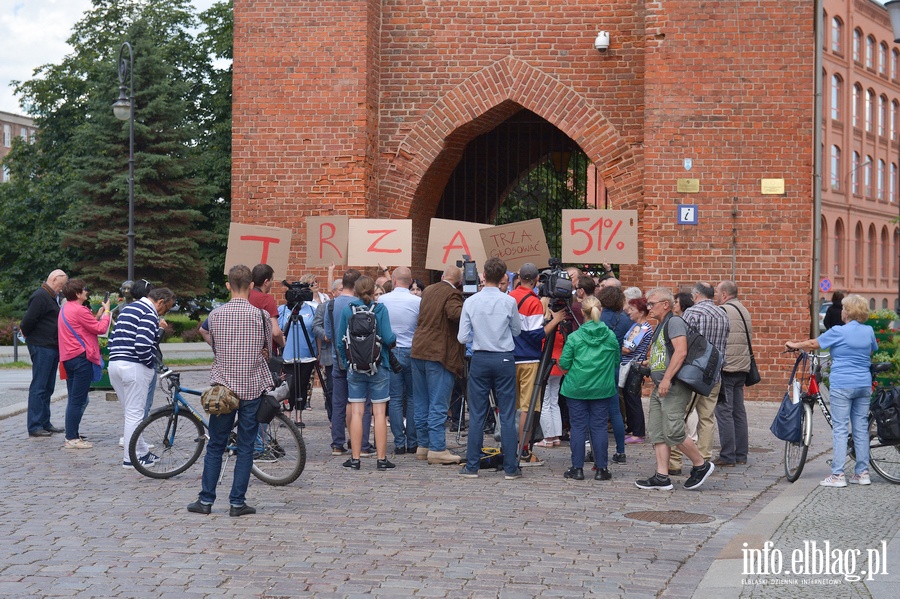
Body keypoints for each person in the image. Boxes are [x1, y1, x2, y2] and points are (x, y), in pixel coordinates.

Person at [187, 265, 273, 517]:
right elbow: (267, 348)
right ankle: (237, 502)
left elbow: (213, 342)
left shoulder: (215, 315)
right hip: (252, 386)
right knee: (246, 447)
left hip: (224, 389)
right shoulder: (261, 316)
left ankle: (206, 500)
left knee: (215, 445)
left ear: (228, 285)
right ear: (250, 285)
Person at [786, 294, 878, 487]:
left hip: (842, 384)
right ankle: (862, 473)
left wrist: (794, 345)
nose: (842, 311)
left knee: (841, 429)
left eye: (844, 308)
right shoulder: (868, 330)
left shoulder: (838, 331)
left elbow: (813, 344)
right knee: (860, 428)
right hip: (863, 384)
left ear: (849, 312)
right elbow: (871, 350)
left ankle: (837, 475)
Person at [635, 287, 715, 491]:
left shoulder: (675, 321)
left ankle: (701, 465)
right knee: (658, 432)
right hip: (661, 386)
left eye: (652, 304)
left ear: (665, 304)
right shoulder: (662, 325)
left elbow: (681, 352)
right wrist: (650, 364)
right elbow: (667, 354)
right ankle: (662, 476)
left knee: (674, 431)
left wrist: (666, 379)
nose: (648, 307)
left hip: (673, 386)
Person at [457, 257, 522, 480]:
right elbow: (517, 330)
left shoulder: (471, 301)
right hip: (504, 358)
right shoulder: (509, 301)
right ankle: (511, 467)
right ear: (503, 276)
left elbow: (462, 336)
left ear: (483, 275)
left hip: (481, 357)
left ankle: (472, 466)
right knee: (506, 414)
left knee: (476, 414)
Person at [336, 276, 397, 471]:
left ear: (355, 290)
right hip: (379, 366)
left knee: (356, 412)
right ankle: (381, 459)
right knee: (379, 414)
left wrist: (348, 363)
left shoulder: (348, 310)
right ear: (373, 291)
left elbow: (339, 342)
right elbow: (388, 337)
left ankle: (355, 459)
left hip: (355, 368)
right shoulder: (380, 309)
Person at [109, 287, 175, 468]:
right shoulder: (149, 312)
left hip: (115, 363)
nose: (164, 313)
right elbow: (143, 345)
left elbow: (111, 339)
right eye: (166, 308)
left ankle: (142, 452)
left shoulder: (128, 308)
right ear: (160, 302)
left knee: (131, 414)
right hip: (134, 366)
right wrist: (149, 365)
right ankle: (131, 459)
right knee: (135, 414)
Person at [668, 282, 729, 474]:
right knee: (707, 418)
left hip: (694, 374)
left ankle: (675, 462)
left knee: (681, 416)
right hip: (715, 373)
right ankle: (704, 459)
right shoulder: (722, 314)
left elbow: (684, 344)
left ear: (695, 295)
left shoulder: (692, 313)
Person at [558, 296, 620, 481]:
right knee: (599, 427)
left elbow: (564, 362)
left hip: (576, 387)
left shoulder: (575, 337)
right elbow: (616, 360)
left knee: (577, 427)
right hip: (602, 387)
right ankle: (602, 468)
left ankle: (577, 468)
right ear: (599, 311)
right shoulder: (610, 336)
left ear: (582, 313)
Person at [410, 265, 465, 465]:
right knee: (438, 403)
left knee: (421, 401)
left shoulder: (429, 290)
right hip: (438, 353)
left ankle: (423, 446)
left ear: (443, 276)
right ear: (459, 281)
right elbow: (455, 314)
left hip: (418, 349)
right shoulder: (452, 294)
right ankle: (437, 448)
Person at [323, 269, 374, 457]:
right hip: (359, 358)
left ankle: (337, 443)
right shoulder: (361, 304)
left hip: (338, 358)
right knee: (362, 403)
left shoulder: (330, 305)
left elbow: (328, 335)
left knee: (338, 403)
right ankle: (362, 443)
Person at [58, 279, 111, 449]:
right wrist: (108, 312)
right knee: (77, 400)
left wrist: (97, 316)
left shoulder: (65, 308)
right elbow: (100, 329)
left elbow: (83, 326)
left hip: (69, 358)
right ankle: (72, 438)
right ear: (78, 293)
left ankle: (71, 434)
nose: (86, 292)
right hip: (81, 359)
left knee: (74, 399)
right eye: (84, 290)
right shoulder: (80, 310)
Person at [509, 263, 548, 467]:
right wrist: (553, 321)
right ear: (535, 280)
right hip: (528, 358)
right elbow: (535, 334)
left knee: (509, 405)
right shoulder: (533, 302)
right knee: (527, 407)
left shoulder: (508, 297)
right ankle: (523, 451)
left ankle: (509, 447)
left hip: (509, 357)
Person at [378, 266, 420, 454]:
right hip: (412, 350)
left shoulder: (383, 300)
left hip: (391, 351)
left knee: (394, 398)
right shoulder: (417, 301)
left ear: (393, 281)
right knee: (412, 397)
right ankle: (412, 441)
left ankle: (399, 442)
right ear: (410, 281)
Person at [20, 269, 68, 437]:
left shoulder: (52, 296)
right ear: (53, 279)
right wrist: (30, 337)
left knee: (48, 387)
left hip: (50, 345)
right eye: (61, 285)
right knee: (39, 386)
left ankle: (45, 422)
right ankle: (34, 425)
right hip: (41, 345)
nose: (61, 289)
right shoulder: (41, 296)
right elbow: (27, 322)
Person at [714, 280, 752, 467]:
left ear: (724, 294)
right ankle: (741, 454)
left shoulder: (723, 311)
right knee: (739, 412)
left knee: (724, 412)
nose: (715, 296)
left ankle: (728, 456)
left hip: (728, 367)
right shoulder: (744, 310)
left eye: (716, 293)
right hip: (743, 367)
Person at [598, 285, 631, 464]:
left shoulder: (598, 318)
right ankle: (620, 450)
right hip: (614, 365)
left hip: (597, 365)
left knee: (595, 411)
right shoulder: (625, 320)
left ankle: (596, 449)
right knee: (615, 411)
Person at [621, 297, 653, 444]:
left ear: (641, 312)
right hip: (631, 365)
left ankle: (638, 433)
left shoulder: (642, 328)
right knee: (629, 397)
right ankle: (633, 428)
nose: (629, 312)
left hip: (632, 367)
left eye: (632, 310)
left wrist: (614, 348)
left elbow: (628, 349)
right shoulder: (637, 326)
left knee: (633, 398)